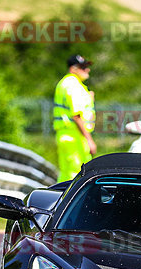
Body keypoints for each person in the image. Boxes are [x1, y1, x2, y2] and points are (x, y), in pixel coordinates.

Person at [53, 54, 97, 182]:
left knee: (67, 174)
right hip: (75, 135)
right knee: (78, 175)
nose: (87, 70)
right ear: (73, 69)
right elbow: (76, 115)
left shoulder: (65, 83)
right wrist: (89, 139)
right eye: (83, 67)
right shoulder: (74, 85)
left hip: (65, 134)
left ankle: (60, 200)